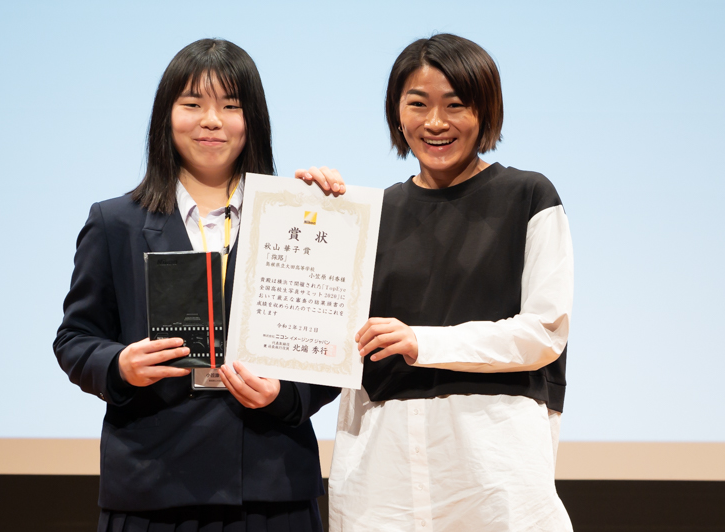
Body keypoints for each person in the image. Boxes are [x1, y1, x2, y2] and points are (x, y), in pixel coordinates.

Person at [54, 38, 344, 532]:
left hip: (271, 486)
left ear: (253, 120)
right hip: (153, 487)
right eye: (193, 104)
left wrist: (285, 395)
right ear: (166, 116)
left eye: (231, 106)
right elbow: (75, 340)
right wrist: (119, 365)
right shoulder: (115, 222)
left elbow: (328, 348)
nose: (212, 120)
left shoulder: (296, 214)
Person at [326, 34, 574, 531]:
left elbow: (545, 331)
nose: (435, 123)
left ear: (485, 112)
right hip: (384, 468)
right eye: (417, 104)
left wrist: (422, 341)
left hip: (492, 464)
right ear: (397, 113)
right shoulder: (370, 212)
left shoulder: (528, 195)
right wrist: (314, 215)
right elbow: (330, 340)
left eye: (455, 105)